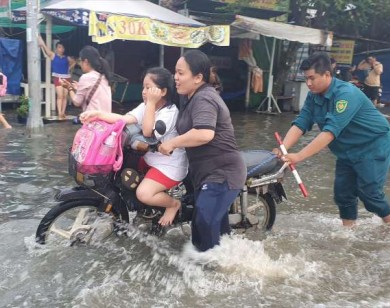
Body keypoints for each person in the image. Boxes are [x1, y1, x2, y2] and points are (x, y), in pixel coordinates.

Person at [273, 52, 390, 227]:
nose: (309, 83)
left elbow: (329, 133)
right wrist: (283, 148)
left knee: (370, 194)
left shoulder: (345, 94)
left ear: (327, 74)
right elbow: (302, 122)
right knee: (343, 194)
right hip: (346, 150)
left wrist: (298, 156)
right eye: (306, 79)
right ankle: (347, 232)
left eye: (312, 78)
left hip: (371, 146)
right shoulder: (314, 95)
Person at [159, 50, 246, 252]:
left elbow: (205, 133)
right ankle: (227, 262)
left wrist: (173, 144)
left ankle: (211, 271)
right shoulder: (190, 97)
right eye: (175, 72)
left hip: (222, 173)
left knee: (204, 223)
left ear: (198, 77)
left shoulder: (204, 98)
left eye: (181, 73)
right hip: (204, 173)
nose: (176, 78)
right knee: (216, 229)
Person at [79, 67, 188, 226]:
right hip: (150, 158)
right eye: (143, 87)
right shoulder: (147, 106)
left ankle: (173, 205)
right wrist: (97, 114)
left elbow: (147, 132)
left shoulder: (169, 113)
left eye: (149, 88)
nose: (144, 91)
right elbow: (124, 118)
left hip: (169, 166)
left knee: (143, 194)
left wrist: (150, 103)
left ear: (163, 91)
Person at [61, 46, 112, 113]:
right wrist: (78, 88)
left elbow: (77, 102)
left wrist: (69, 88)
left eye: (80, 61)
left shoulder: (86, 77)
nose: (80, 64)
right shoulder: (104, 77)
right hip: (106, 120)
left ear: (85, 61)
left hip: (94, 121)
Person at [38, 36, 71, 119]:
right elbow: (46, 50)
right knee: (60, 95)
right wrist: (42, 42)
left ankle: (63, 112)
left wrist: (70, 68)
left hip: (66, 77)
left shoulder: (67, 57)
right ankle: (59, 112)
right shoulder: (53, 55)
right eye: (59, 47)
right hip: (57, 77)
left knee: (65, 96)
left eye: (62, 47)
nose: (61, 49)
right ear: (56, 48)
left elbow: (75, 61)